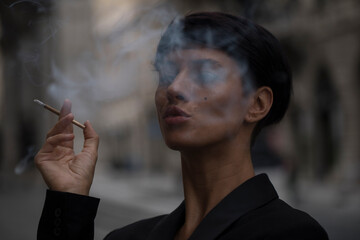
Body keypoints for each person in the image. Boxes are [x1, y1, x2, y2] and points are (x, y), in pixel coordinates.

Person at [35, 12, 328, 240]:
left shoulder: (290, 234)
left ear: (257, 105)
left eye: (204, 72)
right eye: (166, 74)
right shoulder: (128, 237)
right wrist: (69, 199)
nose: (174, 87)